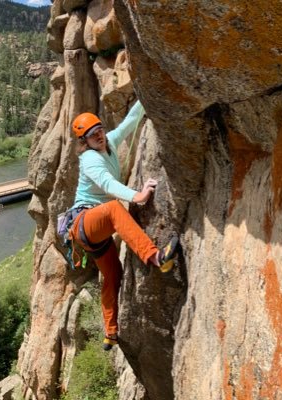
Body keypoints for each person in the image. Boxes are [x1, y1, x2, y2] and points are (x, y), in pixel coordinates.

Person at [69, 100, 178, 351]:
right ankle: (155, 257)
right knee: (114, 207)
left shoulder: (108, 143)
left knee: (112, 275)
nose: (98, 135)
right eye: (92, 135)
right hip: (85, 223)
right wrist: (137, 195)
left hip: (96, 232)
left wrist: (145, 92)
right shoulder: (89, 159)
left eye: (99, 130)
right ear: (84, 142)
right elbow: (107, 184)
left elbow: (130, 121)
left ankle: (110, 332)